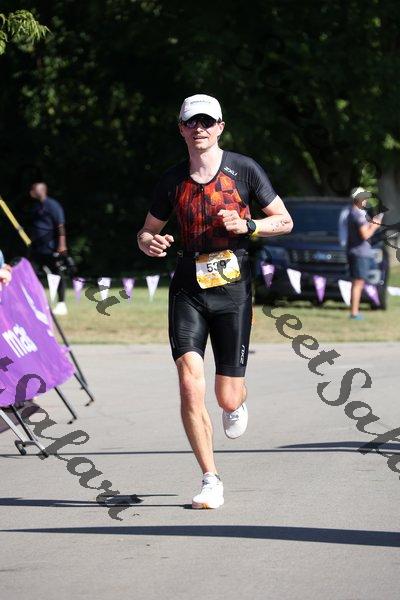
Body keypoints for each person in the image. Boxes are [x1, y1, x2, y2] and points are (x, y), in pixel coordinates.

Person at [137, 94, 293, 509]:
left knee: (226, 396)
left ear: (220, 126)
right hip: (187, 287)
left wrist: (248, 224)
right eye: (192, 122)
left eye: (207, 122)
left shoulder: (244, 169)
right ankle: (211, 478)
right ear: (181, 129)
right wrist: (149, 242)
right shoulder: (172, 180)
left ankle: (236, 401)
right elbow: (146, 230)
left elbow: (285, 220)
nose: (200, 129)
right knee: (190, 383)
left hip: (233, 287)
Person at [29, 182, 68, 315]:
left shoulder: (53, 205)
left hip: (51, 248)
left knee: (57, 274)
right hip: (37, 249)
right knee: (32, 274)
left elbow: (60, 225)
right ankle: (37, 303)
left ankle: (61, 304)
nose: (32, 192)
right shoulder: (35, 207)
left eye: (34, 189)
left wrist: (61, 245)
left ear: (42, 190)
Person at [347, 187, 383, 319]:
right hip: (359, 253)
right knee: (358, 283)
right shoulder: (357, 214)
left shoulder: (355, 213)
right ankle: (354, 313)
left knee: (358, 282)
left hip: (358, 252)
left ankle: (354, 311)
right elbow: (365, 234)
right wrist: (375, 225)